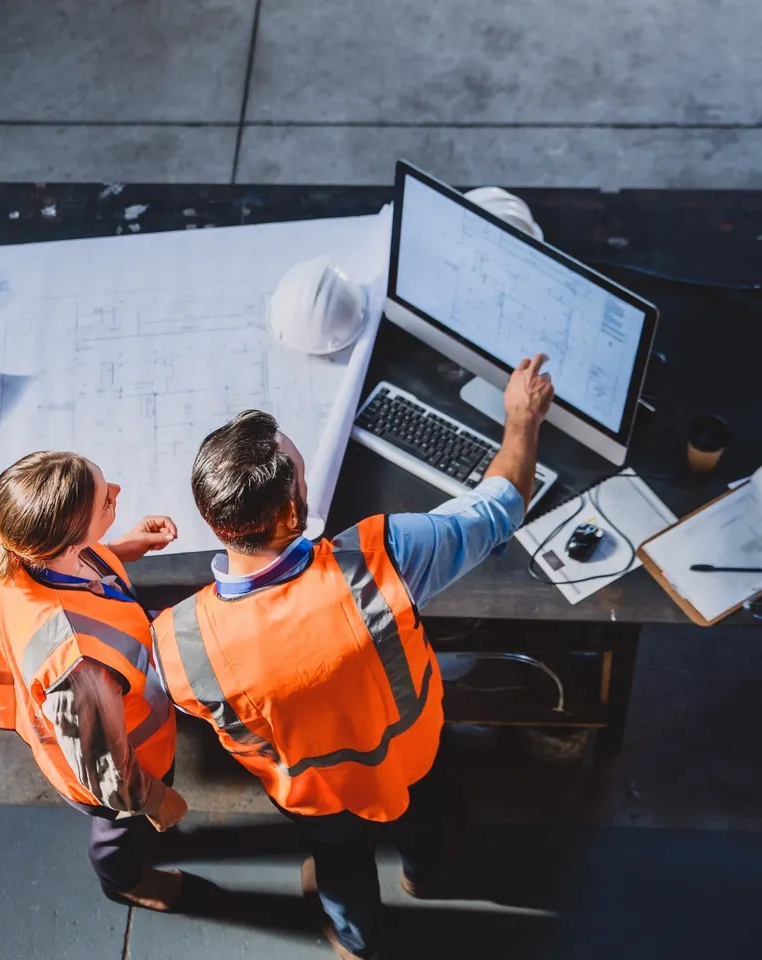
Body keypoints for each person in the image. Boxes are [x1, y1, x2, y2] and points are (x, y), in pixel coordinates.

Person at [153, 356, 555, 959]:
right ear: (295, 509)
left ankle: (356, 940)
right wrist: (522, 420)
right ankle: (425, 875)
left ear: (213, 522)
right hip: (413, 760)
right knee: (426, 823)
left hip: (316, 797)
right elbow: (498, 508)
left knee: (338, 865)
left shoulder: (177, 642)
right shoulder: (382, 557)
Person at [0, 450, 204, 911]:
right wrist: (155, 798)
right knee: (119, 831)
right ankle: (122, 881)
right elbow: (104, 771)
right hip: (125, 765)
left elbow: (74, 564)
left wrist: (121, 548)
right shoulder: (79, 664)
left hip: (109, 729)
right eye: (106, 500)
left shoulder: (7, 535)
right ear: (65, 543)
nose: (117, 492)